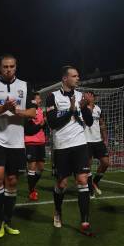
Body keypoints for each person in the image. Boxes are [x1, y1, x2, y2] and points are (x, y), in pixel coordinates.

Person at [0, 54, 36, 238]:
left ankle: (7, 220)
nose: (8, 69)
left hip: (16, 141)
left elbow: (33, 111)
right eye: (5, 66)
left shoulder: (25, 85)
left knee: (12, 181)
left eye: (12, 66)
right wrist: (4, 108)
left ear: (16, 67)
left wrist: (17, 111)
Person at [46, 66, 95, 236]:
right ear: (65, 79)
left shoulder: (81, 96)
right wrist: (71, 111)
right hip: (62, 146)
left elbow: (88, 122)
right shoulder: (53, 97)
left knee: (82, 180)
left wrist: (82, 107)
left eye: (78, 76)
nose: (77, 78)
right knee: (62, 184)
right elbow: (52, 123)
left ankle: (85, 222)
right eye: (74, 76)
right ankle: (58, 211)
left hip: (80, 144)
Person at [83, 90, 110, 197]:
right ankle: (90, 188)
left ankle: (95, 182)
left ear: (93, 97)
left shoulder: (98, 109)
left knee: (106, 163)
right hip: (86, 141)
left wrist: (105, 138)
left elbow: (102, 124)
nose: (86, 98)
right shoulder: (82, 109)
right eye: (85, 97)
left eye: (88, 96)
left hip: (98, 140)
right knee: (87, 167)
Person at [24, 92, 47, 201]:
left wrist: (45, 123)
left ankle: (32, 185)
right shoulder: (29, 112)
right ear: (32, 101)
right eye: (38, 99)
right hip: (31, 142)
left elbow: (42, 127)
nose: (40, 100)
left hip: (41, 142)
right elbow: (29, 130)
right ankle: (32, 191)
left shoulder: (41, 111)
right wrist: (41, 124)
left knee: (41, 168)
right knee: (32, 168)